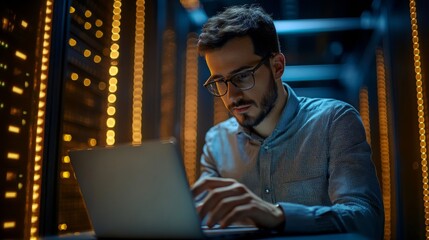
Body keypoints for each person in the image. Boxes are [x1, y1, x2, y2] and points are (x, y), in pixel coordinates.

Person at [191, 4, 384, 239]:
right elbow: (199, 222)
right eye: (219, 82)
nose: (231, 96)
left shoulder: (334, 121)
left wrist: (279, 215)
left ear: (277, 66)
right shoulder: (216, 142)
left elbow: (366, 221)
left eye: (242, 76)